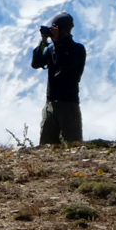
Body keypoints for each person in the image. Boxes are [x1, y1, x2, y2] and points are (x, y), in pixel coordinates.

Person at [32, 11, 85, 145]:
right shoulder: (51, 48)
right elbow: (36, 63)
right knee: (46, 145)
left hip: (68, 104)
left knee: (72, 145)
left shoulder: (77, 50)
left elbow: (64, 69)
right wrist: (43, 41)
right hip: (50, 103)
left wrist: (56, 44)